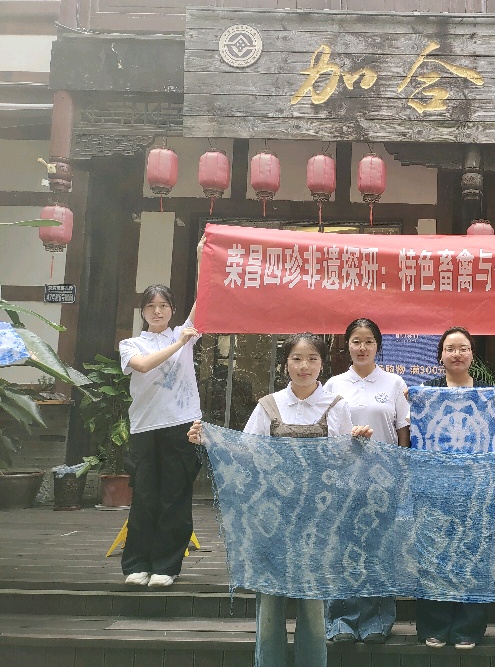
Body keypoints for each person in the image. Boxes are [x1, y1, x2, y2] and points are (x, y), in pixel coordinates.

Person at [188, 332, 372, 667]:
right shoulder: (268, 406)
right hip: (271, 520)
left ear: (322, 364)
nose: (304, 366)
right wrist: (210, 440)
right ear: (285, 363)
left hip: (318, 521)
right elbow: (245, 452)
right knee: (270, 604)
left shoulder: (336, 406)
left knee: (313, 607)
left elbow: (344, 464)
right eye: (296, 359)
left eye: (312, 359)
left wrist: (357, 443)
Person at [413, 326, 495, 650]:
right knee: (434, 554)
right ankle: (434, 625)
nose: (457, 354)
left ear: (472, 354)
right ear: (440, 355)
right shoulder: (425, 393)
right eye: (450, 348)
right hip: (435, 489)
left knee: (474, 554)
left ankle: (469, 627)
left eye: (463, 348)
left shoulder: (490, 395)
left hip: (478, 489)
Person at [324, 318, 411, 644]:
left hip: (382, 481)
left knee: (380, 550)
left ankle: (377, 620)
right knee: (343, 550)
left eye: (369, 342)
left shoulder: (394, 383)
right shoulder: (333, 385)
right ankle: (342, 621)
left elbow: (403, 431)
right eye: (356, 341)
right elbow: (327, 432)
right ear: (347, 345)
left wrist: (401, 472)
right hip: (344, 480)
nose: (362, 348)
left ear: (378, 346)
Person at [118, 282, 202, 589]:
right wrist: (179, 343)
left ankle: (167, 566)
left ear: (173, 310)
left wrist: (203, 261)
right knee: (144, 497)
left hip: (181, 425)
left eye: (163, 305)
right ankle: (137, 564)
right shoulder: (131, 344)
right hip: (145, 427)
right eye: (151, 306)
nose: (157, 311)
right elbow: (142, 366)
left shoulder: (185, 333)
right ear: (142, 311)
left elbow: (203, 299)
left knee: (175, 498)